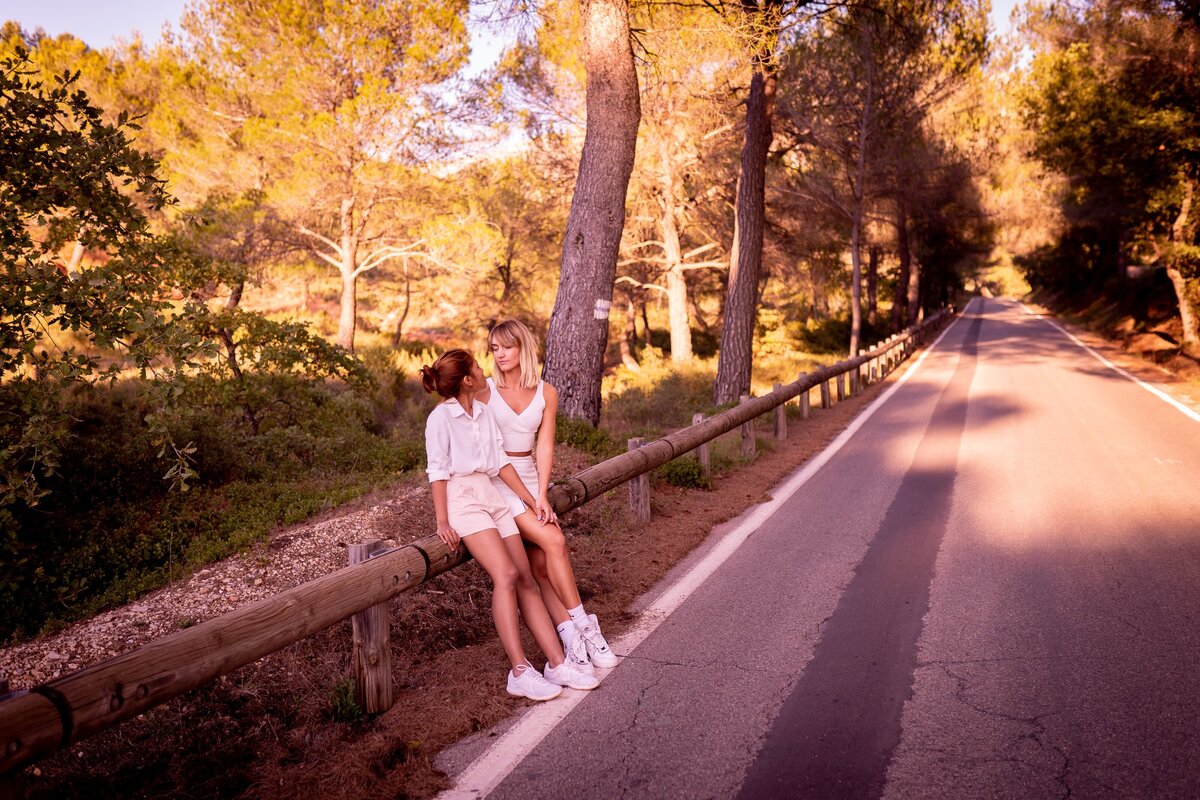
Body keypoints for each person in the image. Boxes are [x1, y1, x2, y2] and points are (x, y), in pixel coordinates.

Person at [421, 348, 598, 700]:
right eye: (476, 364)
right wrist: (442, 520)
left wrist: (533, 501)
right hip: (463, 500)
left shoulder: (484, 411)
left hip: (493, 496)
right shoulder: (440, 418)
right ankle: (519, 670)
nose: (484, 364)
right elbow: (437, 472)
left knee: (527, 578)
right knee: (506, 576)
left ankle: (557, 662)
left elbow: (501, 463)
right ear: (468, 380)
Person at [478, 319, 619, 673]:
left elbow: (544, 446)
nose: (500, 354)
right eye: (494, 348)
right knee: (553, 539)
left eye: (507, 346)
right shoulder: (484, 391)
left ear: (522, 347)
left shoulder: (546, 392)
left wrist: (541, 493)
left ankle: (571, 639)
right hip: (496, 483)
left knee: (540, 566)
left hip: (528, 478)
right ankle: (587, 626)